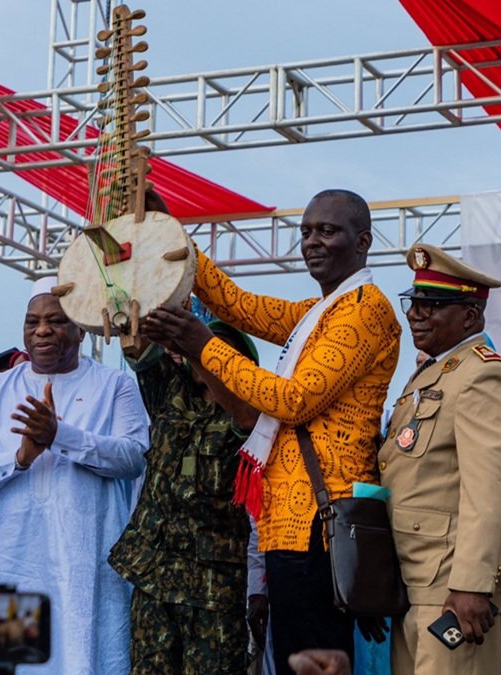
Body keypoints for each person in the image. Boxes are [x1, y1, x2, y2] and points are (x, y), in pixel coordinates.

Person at [143, 188, 401, 673]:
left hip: (322, 526)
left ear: (363, 241)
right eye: (305, 231)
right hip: (292, 522)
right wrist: (170, 235)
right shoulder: (321, 313)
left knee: (314, 661)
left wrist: (205, 345)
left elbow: (294, 399)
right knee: (295, 662)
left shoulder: (365, 310)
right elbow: (241, 306)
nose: (312, 241)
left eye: (328, 230)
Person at [0, 277, 149, 673]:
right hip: (7, 561)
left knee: (82, 656)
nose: (42, 330)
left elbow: (132, 457)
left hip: (85, 563)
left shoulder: (115, 385)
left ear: (81, 327)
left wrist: (61, 436)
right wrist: (19, 458)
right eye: (32, 322)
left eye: (55, 320)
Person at [379, 245, 501, 674]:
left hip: (453, 590)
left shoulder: (483, 376)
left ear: (470, 316)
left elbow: (493, 491)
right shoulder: (431, 374)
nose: (417, 315)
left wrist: (472, 585)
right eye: (414, 303)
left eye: (433, 306)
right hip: (416, 584)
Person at [109, 320, 260, 674]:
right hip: (154, 577)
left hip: (214, 588)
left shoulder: (251, 413)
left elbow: (246, 418)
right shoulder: (169, 393)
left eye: (214, 350)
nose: (201, 356)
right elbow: (139, 348)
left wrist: (206, 357)